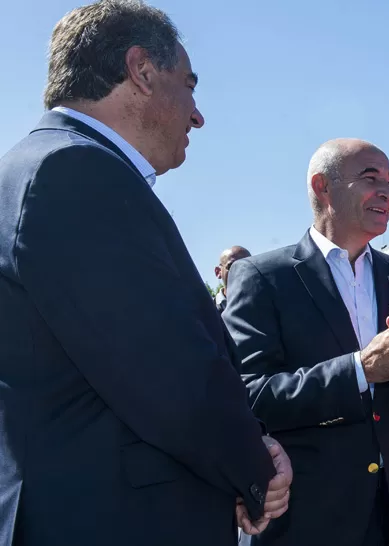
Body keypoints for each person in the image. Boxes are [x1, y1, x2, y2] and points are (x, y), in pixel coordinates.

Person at [0, 2, 292, 545]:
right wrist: (255, 466)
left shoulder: (34, 167)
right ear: (141, 70)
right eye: (189, 84)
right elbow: (167, 372)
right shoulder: (75, 172)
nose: (198, 114)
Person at [222, 138, 389, 546]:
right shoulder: (263, 277)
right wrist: (361, 369)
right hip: (310, 518)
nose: (387, 192)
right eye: (370, 178)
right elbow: (249, 396)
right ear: (321, 186)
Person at [215, 245, 252, 312]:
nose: (241, 271)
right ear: (218, 272)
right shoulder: (207, 310)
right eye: (233, 266)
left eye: (247, 266)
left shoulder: (265, 305)